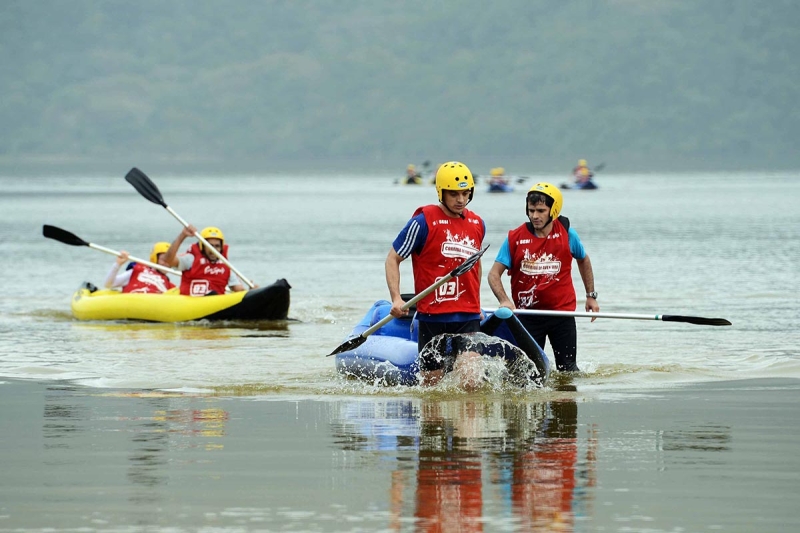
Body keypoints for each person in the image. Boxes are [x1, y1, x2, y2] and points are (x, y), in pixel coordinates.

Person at [385, 161, 486, 386]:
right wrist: (396, 298)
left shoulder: (478, 223)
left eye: (465, 193)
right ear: (441, 192)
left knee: (471, 382)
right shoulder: (422, 223)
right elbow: (393, 258)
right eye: (454, 194)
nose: (461, 199)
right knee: (432, 388)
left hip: (467, 316)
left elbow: (475, 266)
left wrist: (477, 303)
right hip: (432, 317)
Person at [487, 182, 599, 372]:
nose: (534, 216)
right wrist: (504, 300)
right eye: (531, 210)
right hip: (528, 316)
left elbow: (584, 260)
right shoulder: (515, 237)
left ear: (553, 210)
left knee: (568, 370)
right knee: (525, 372)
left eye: (540, 210)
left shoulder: (567, 234)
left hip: (561, 315)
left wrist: (591, 296)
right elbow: (493, 275)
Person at [163, 225, 247, 296]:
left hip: (215, 301)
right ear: (202, 247)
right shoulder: (191, 259)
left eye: (217, 246)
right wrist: (182, 236)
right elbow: (168, 260)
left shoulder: (226, 265)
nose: (213, 250)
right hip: (190, 302)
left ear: (221, 248)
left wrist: (252, 292)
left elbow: (239, 290)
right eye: (209, 246)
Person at [104, 242, 176, 294]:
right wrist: (118, 264)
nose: (167, 263)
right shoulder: (137, 271)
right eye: (163, 259)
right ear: (154, 258)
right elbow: (108, 284)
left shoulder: (170, 286)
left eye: (170, 260)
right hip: (132, 304)